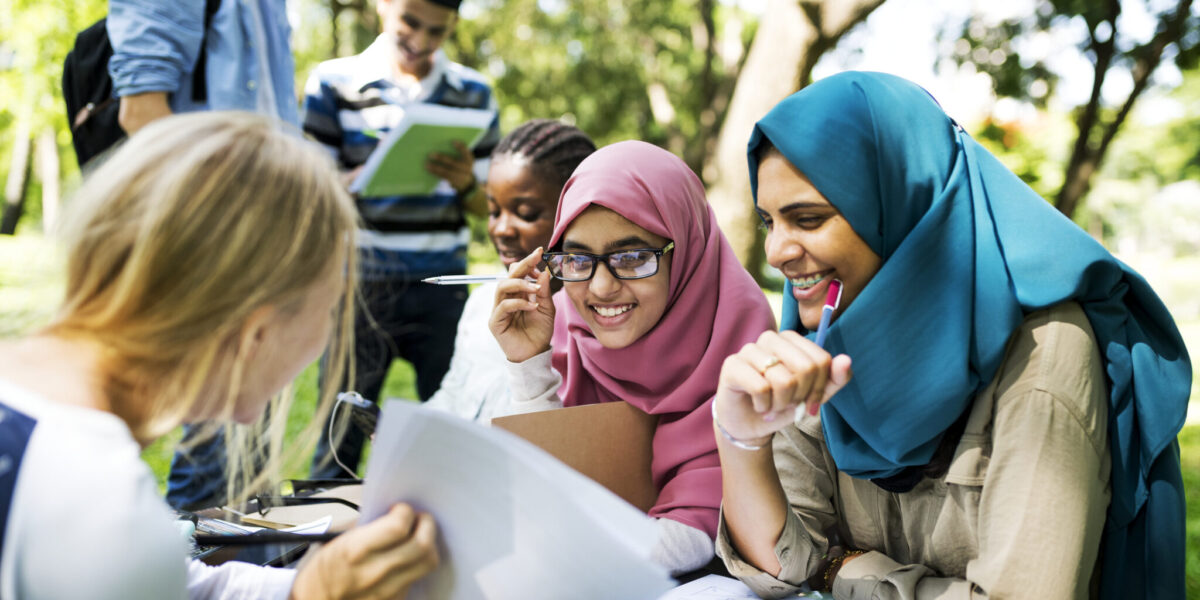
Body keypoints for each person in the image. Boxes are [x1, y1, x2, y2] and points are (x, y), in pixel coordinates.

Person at [710, 71, 1191, 598]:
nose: (776, 251)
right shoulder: (824, 341)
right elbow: (778, 569)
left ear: (900, 208)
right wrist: (740, 440)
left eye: (807, 219)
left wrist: (845, 574)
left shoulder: (1044, 351)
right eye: (768, 222)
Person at [0, 112, 438, 599]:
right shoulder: (103, 511)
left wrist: (308, 590)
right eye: (330, 306)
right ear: (257, 334)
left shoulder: (54, 453)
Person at [489, 141, 776, 574]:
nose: (602, 288)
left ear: (687, 248)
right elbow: (539, 486)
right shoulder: (567, 328)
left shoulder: (742, 345)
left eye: (633, 257)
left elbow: (696, 532)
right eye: (579, 258)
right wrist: (529, 362)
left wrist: (561, 543)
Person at [108, 0, 303, 509]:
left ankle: (239, 571)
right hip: (223, 238)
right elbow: (142, 113)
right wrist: (228, 232)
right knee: (214, 445)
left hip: (268, 235)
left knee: (249, 450)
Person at [301, 0, 501, 479]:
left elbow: (491, 206)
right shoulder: (333, 83)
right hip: (360, 286)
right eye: (410, 23)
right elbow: (309, 193)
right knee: (338, 438)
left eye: (438, 31)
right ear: (383, 5)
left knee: (459, 431)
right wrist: (355, 180)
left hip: (442, 284)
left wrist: (466, 185)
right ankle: (319, 547)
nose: (422, 41)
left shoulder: (474, 93)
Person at [424, 119, 595, 423]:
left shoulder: (596, 320)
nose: (501, 229)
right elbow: (453, 395)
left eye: (526, 214)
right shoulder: (481, 303)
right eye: (493, 211)